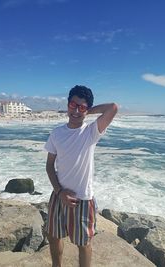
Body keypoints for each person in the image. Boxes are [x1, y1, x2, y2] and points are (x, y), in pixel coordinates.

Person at [44, 85, 118, 267]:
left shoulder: (91, 132)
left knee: (83, 244)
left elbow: (113, 107)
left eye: (82, 107)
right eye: (73, 105)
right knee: (53, 236)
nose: (76, 110)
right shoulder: (57, 133)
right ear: (67, 104)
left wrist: (86, 111)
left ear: (88, 110)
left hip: (82, 199)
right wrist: (59, 191)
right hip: (59, 195)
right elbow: (49, 165)